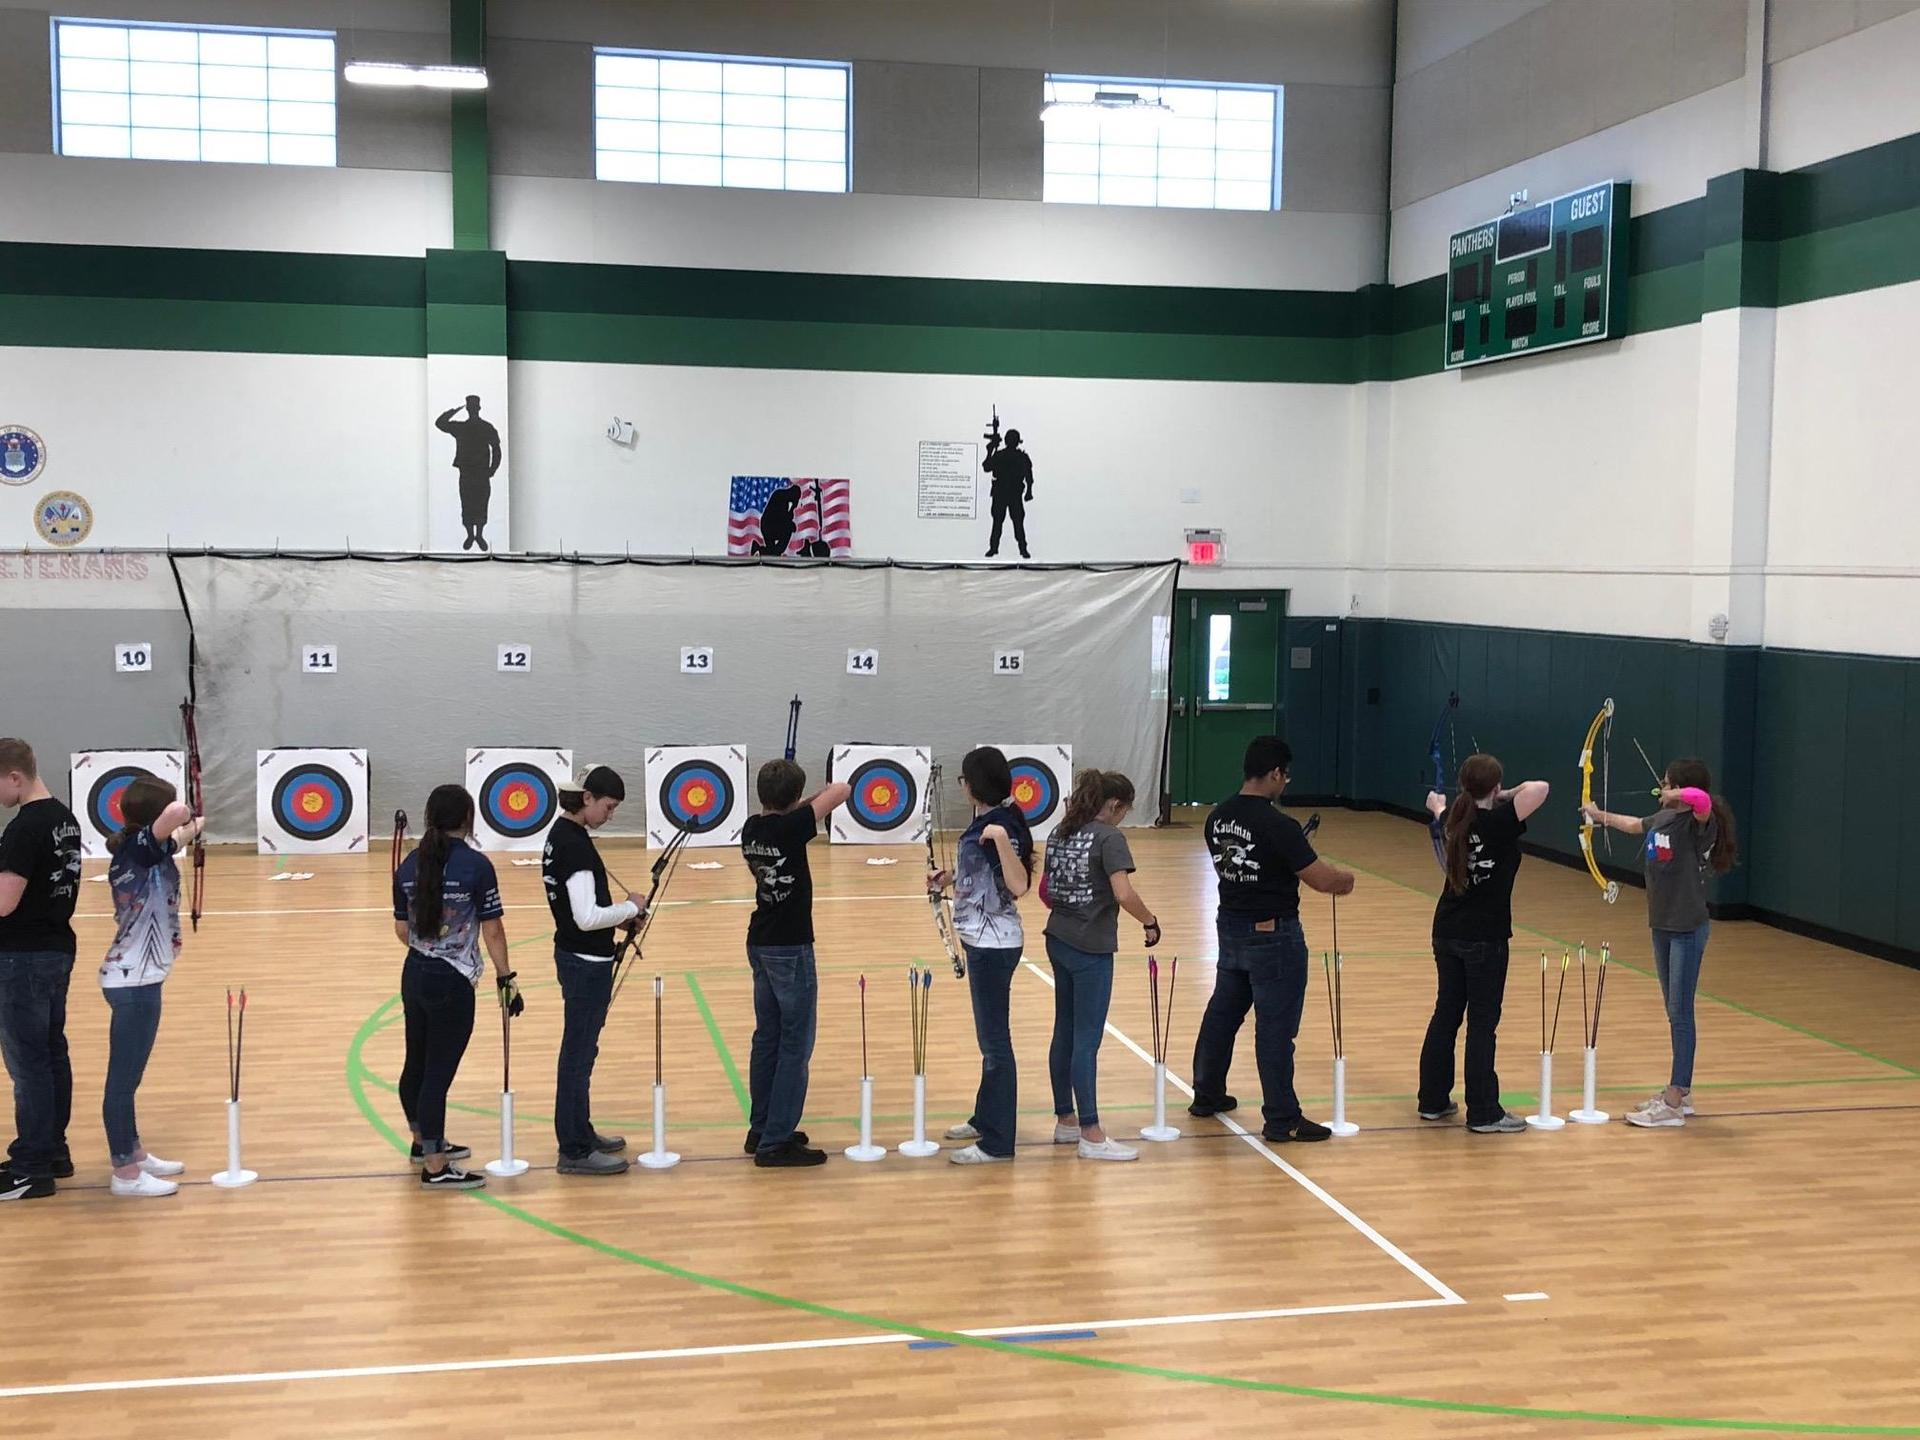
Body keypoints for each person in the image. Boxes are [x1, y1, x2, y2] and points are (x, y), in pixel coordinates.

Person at [1190, 736, 1355, 1143]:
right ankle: (1282, 1118)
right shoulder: (1278, 824)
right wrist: (1345, 880)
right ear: (1276, 773)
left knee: (1222, 1015)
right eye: (1286, 775)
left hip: (1231, 929)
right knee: (1276, 1030)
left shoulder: (1217, 817)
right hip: (1273, 937)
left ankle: (1207, 1094)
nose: (1286, 782)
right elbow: (1320, 879)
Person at [1582, 758, 1737, 1129]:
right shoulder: (1664, 819)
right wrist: (1597, 814)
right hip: (1662, 925)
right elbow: (1635, 825)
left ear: (1678, 790)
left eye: (1665, 784)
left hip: (1687, 927)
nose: (1660, 790)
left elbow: (1701, 798)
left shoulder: (1700, 823)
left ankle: (1674, 1097)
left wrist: (1676, 792)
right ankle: (1679, 1092)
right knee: (1674, 1010)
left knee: (1681, 1012)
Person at [394, 784, 522, 1190]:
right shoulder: (475, 866)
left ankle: (422, 1142)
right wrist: (506, 976)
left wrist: (429, 947)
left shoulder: (409, 864)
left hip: (414, 973)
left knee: (417, 1063)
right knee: (437, 1074)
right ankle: (436, 1167)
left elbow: (402, 929)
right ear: (467, 819)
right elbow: (493, 928)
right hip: (452, 982)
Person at [1417, 755, 1549, 1133]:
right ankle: (1484, 1111)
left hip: (1447, 930)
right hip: (1484, 936)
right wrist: (1502, 793)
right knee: (1481, 1023)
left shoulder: (1452, 820)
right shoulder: (1498, 822)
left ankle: (1433, 1100)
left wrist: (1456, 800)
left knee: (1447, 1013)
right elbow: (1540, 788)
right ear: (1493, 788)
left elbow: (1440, 807)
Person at [1041, 769, 1157, 1161]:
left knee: (1065, 1030)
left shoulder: (1060, 831)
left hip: (1057, 938)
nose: (1124, 816)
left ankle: (1066, 1121)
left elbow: (1047, 889)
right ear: (1114, 805)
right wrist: (1150, 921)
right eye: (1124, 809)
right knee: (1087, 1039)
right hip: (1090, 948)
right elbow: (1123, 894)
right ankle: (1091, 1132)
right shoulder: (1109, 837)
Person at [97, 773, 203, 1197]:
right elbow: (177, 818)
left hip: (142, 977)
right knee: (122, 1083)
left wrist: (196, 822)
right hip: (131, 980)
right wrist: (184, 811)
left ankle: (135, 1153)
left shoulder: (152, 849)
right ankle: (125, 1173)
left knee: (130, 1078)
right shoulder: (134, 852)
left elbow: (184, 829)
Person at [739, 759, 850, 1168]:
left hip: (760, 942)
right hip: (790, 947)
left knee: (767, 1038)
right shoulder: (791, 828)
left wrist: (798, 802)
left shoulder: (753, 828)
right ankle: (776, 1141)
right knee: (795, 1044)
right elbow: (843, 788)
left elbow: (797, 810)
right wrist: (811, 800)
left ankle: (762, 1127)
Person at [542, 765, 646, 1175]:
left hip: (576, 955)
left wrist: (618, 920)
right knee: (578, 1054)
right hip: (585, 963)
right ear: (587, 799)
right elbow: (586, 917)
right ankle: (574, 1150)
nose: (610, 815)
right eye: (609, 806)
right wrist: (631, 908)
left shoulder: (562, 834)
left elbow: (577, 910)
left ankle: (581, 1132)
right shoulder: (575, 845)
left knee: (582, 1051)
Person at [935, 748, 1034, 1165]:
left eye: (963, 779)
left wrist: (998, 841)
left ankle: (997, 1142)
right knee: (988, 1041)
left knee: (995, 1044)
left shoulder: (1001, 825)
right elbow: (982, 870)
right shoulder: (988, 820)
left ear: (974, 784)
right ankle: (984, 1117)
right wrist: (950, 877)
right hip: (981, 941)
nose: (960, 785)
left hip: (996, 945)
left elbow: (1019, 884)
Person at [0, 739, 83, 1203]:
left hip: (21, 958)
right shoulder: (64, 820)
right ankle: (52, 1153)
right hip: (54, 949)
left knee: (28, 1064)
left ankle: (32, 1167)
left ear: (15, 777)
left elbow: (4, 903)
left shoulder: (25, 827)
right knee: (50, 1055)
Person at [434, 394, 502, 553]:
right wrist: (455, 410)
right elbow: (440, 423)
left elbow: (497, 449)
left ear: (476, 409)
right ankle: (471, 535)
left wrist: (492, 469)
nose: (472, 410)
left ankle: (479, 535)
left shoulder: (485, 428)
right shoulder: (462, 428)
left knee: (480, 504)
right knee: (468, 504)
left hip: (481, 473)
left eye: (472, 408)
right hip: (468, 473)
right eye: (470, 408)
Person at [982, 428, 1034, 559]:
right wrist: (990, 450)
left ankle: (1022, 549)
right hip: (1003, 493)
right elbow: (987, 467)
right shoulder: (1004, 455)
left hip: (1012, 494)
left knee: (1015, 523)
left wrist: (1029, 491)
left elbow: (1029, 475)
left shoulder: (1019, 457)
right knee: (999, 522)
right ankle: (995, 548)